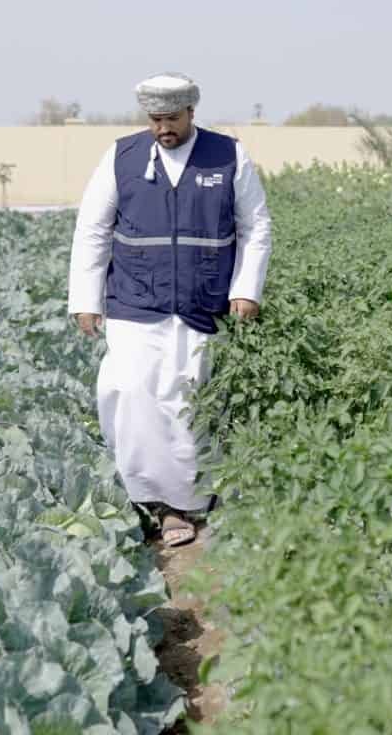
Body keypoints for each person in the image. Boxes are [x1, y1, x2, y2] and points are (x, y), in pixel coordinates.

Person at [68, 72, 272, 547]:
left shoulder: (229, 155)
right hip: (136, 299)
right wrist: (84, 298)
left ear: (191, 114)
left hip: (204, 301)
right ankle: (150, 500)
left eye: (172, 119)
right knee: (131, 393)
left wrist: (247, 289)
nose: (164, 129)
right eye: (156, 120)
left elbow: (256, 227)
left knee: (190, 401)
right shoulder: (121, 156)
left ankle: (193, 502)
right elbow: (93, 228)